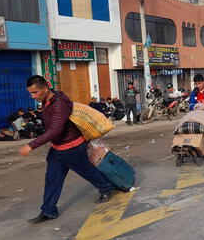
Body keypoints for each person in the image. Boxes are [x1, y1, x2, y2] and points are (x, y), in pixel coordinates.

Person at [20, 75, 130, 223]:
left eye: (35, 92)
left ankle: (106, 188)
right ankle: (48, 210)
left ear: (45, 89)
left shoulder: (59, 104)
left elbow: (56, 129)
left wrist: (31, 144)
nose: (33, 96)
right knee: (52, 179)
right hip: (57, 149)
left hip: (73, 148)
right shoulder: (47, 102)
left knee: (88, 172)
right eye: (31, 93)